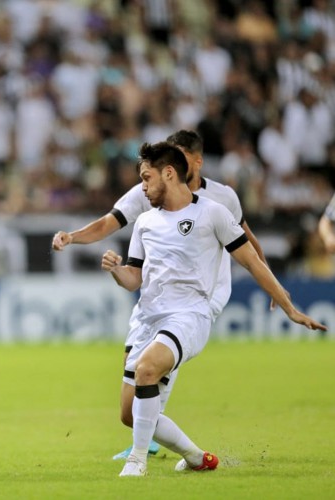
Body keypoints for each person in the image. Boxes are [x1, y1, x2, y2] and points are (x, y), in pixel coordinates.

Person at [101, 141, 326, 477]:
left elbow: (253, 262)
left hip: (189, 316)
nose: (143, 187)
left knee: (148, 369)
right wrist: (117, 270)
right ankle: (195, 456)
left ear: (169, 173)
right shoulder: (145, 223)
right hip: (147, 318)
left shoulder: (212, 213)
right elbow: (134, 279)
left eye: (147, 179)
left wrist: (288, 307)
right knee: (130, 414)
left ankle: (137, 460)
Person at [52, 130, 272, 460]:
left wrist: (268, 281)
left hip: (203, 294)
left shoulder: (222, 200)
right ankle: (172, 443)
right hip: (155, 298)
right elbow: (108, 224)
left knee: (155, 363)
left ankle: (141, 450)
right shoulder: (150, 190)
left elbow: (248, 242)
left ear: (192, 162)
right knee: (133, 392)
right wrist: (73, 237)